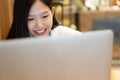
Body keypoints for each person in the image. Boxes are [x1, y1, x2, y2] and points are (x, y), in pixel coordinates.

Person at [7, 0, 82, 39]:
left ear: (52, 12)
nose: (39, 25)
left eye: (44, 16)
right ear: (21, 19)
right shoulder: (13, 49)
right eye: (31, 19)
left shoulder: (65, 35)